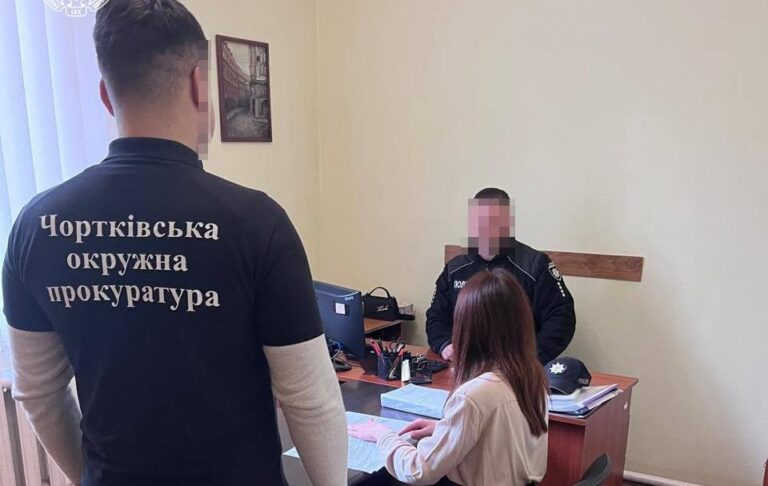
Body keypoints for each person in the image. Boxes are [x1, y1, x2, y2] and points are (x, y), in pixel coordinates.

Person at [2, 1, 347, 485]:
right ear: (200, 84)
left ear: (105, 96)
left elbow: (38, 393)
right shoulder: (255, 223)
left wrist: (91, 477)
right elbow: (309, 399)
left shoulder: (34, 227)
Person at [348, 268, 549, 485]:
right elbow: (500, 439)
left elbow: (419, 470)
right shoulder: (532, 377)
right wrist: (445, 430)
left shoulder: (474, 395)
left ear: (467, 327)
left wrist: (382, 435)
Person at [426, 188, 576, 364]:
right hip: (466, 365)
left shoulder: (535, 265)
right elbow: (436, 317)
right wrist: (444, 345)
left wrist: (529, 357)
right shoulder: (455, 268)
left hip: (518, 366)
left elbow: (561, 318)